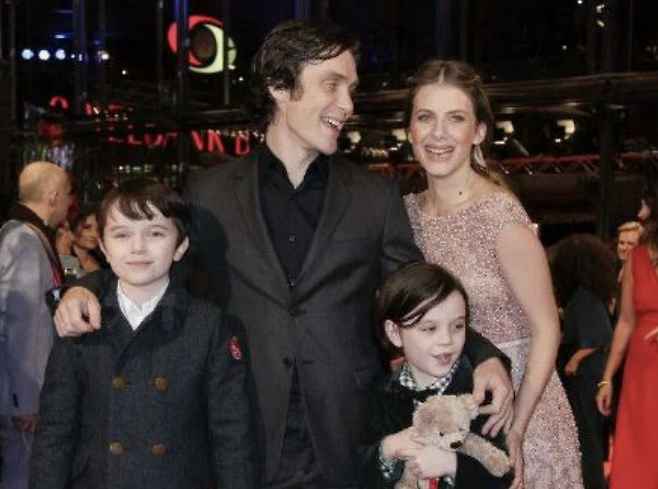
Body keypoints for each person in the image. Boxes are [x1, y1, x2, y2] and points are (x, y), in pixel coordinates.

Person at [52, 22, 515, 489]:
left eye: (351, 89)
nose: (347, 104)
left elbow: (419, 294)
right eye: (331, 85)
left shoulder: (374, 197)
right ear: (279, 86)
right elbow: (161, 272)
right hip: (239, 425)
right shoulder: (210, 191)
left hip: (345, 428)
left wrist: (484, 355)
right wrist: (84, 288)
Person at [402, 59, 583, 488]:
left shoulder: (500, 216)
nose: (438, 133)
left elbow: (547, 328)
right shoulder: (405, 216)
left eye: (455, 118)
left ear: (479, 132)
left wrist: (518, 427)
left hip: (518, 409)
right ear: (409, 131)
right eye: (425, 117)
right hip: (439, 411)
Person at [30, 179, 259, 489]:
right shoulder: (79, 320)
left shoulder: (211, 327)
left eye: (155, 233)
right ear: (104, 247)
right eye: (122, 234)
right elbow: (55, 433)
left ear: (180, 246)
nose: (138, 247)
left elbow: (233, 439)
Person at [358, 262, 513, 488]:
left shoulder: (479, 395)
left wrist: (453, 465)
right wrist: (386, 450)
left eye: (457, 326)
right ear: (394, 332)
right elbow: (361, 472)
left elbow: (504, 474)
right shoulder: (381, 395)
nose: (446, 340)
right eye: (429, 328)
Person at [0, 161, 72, 489]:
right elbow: (22, 325)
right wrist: (26, 401)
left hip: (23, 390)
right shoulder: (24, 240)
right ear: (54, 196)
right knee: (23, 475)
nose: (71, 201)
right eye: (69, 193)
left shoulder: (24, 235)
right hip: (23, 395)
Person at [596, 174, 658, 488]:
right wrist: (607, 377)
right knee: (639, 452)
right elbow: (625, 321)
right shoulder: (637, 257)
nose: (640, 213)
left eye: (645, 204)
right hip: (640, 371)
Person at [552, 234, 616, 489]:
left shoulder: (585, 295)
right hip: (588, 373)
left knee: (587, 437)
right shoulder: (587, 294)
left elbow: (600, 335)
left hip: (587, 375)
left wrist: (575, 361)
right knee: (587, 436)